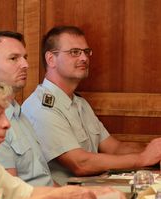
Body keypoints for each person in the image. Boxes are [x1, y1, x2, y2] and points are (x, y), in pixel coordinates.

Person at [22, 25, 161, 184]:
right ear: (50, 59)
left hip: (97, 187)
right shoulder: (41, 107)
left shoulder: (79, 103)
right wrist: (142, 159)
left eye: (86, 52)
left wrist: (154, 150)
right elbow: (80, 164)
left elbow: (115, 148)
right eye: (74, 52)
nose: (84, 58)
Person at [0, 31, 55, 186]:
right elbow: (8, 192)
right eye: (14, 58)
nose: (25, 65)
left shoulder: (18, 113)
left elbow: (45, 181)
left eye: (25, 57)